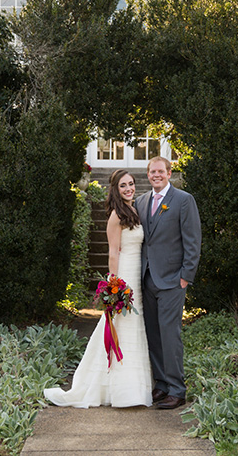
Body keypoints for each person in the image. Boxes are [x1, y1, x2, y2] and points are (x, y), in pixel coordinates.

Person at [43, 170, 153, 408]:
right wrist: (114, 285)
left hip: (138, 274)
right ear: (115, 189)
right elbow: (113, 251)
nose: (129, 189)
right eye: (123, 185)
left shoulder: (135, 210)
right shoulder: (116, 215)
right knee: (119, 326)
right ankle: (115, 389)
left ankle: (135, 388)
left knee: (134, 328)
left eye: (131, 184)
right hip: (124, 275)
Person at [137, 156, 201, 410]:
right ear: (148, 174)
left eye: (161, 171)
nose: (156, 175)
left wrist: (186, 276)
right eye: (152, 171)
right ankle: (161, 385)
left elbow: (193, 241)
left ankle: (177, 389)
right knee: (153, 334)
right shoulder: (141, 201)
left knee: (170, 335)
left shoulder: (184, 200)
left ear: (169, 173)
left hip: (173, 280)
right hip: (148, 279)